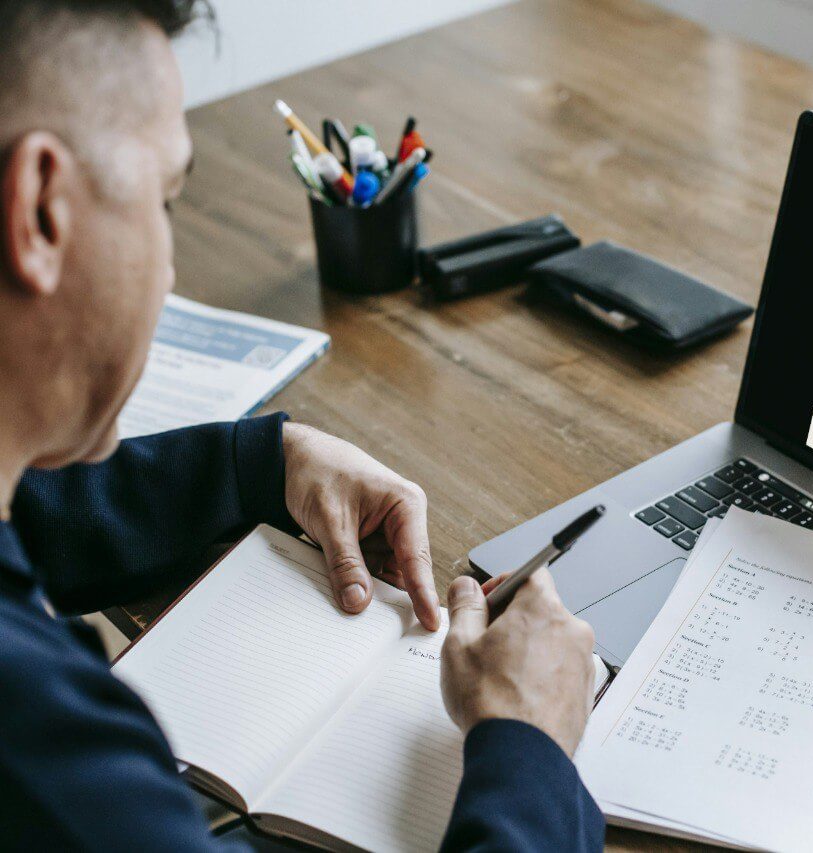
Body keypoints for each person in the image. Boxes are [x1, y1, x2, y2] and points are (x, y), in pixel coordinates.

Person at [0, 1, 603, 849]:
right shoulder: (49, 764)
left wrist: (258, 463)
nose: (168, 264)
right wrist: (531, 749)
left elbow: (27, 514)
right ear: (41, 211)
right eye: (165, 201)